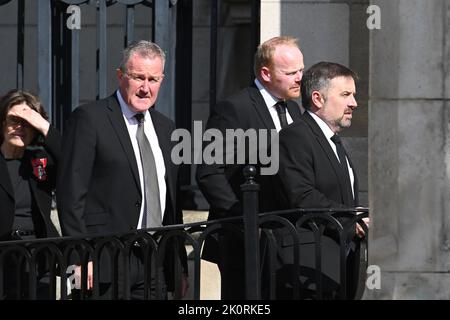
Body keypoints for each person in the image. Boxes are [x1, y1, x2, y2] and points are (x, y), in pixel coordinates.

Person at [57, 40, 187, 299]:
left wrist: (179, 266)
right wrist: (80, 255)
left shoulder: (166, 128)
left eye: (154, 79)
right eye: (138, 77)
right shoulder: (89, 118)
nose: (146, 88)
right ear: (120, 76)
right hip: (102, 259)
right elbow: (70, 194)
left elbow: (172, 203)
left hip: (155, 260)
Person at [196, 36, 304, 299]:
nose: (299, 77)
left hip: (285, 240)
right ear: (266, 73)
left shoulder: (293, 109)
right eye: (291, 72)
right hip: (245, 242)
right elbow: (209, 172)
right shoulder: (234, 108)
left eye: (301, 70)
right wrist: (245, 219)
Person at [276, 61, 369, 299]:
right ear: (318, 99)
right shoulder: (295, 135)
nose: (354, 103)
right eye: (346, 94)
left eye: (353, 95)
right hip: (306, 271)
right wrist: (351, 218)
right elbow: (302, 195)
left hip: (338, 269)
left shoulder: (332, 140)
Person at [0, 89, 60, 299]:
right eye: (14, 119)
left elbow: (74, 164)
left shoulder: (40, 159)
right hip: (4, 258)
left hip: (39, 257)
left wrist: (44, 125)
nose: (20, 127)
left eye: (27, 122)